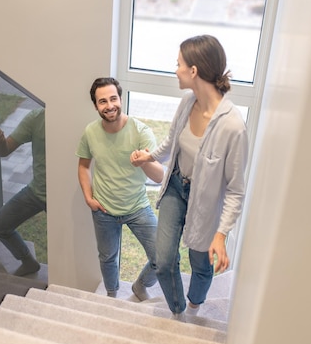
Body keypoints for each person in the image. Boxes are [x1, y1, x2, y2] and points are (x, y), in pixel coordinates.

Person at [131, 35, 249, 319]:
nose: (176, 70)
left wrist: (221, 235)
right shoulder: (186, 102)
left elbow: (235, 189)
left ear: (194, 71)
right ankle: (178, 311)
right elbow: (171, 142)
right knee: (162, 259)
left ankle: (195, 303)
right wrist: (149, 157)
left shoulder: (233, 127)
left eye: (179, 64)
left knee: (200, 264)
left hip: (206, 203)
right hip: (175, 188)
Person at [76, 77, 164, 299]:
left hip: (137, 206)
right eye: (102, 101)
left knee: (162, 256)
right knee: (107, 258)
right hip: (104, 210)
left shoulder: (141, 132)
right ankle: (112, 295)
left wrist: (144, 161)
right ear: (96, 106)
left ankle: (140, 286)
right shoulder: (90, 132)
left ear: (120, 99)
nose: (109, 105)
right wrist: (89, 198)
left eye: (113, 98)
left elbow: (160, 177)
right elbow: (83, 166)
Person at [0, 107, 45, 276]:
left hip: (64, 196)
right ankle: (28, 262)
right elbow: (5, 150)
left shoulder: (76, 119)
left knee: (66, 247)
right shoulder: (36, 117)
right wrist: (0, 140)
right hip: (37, 192)